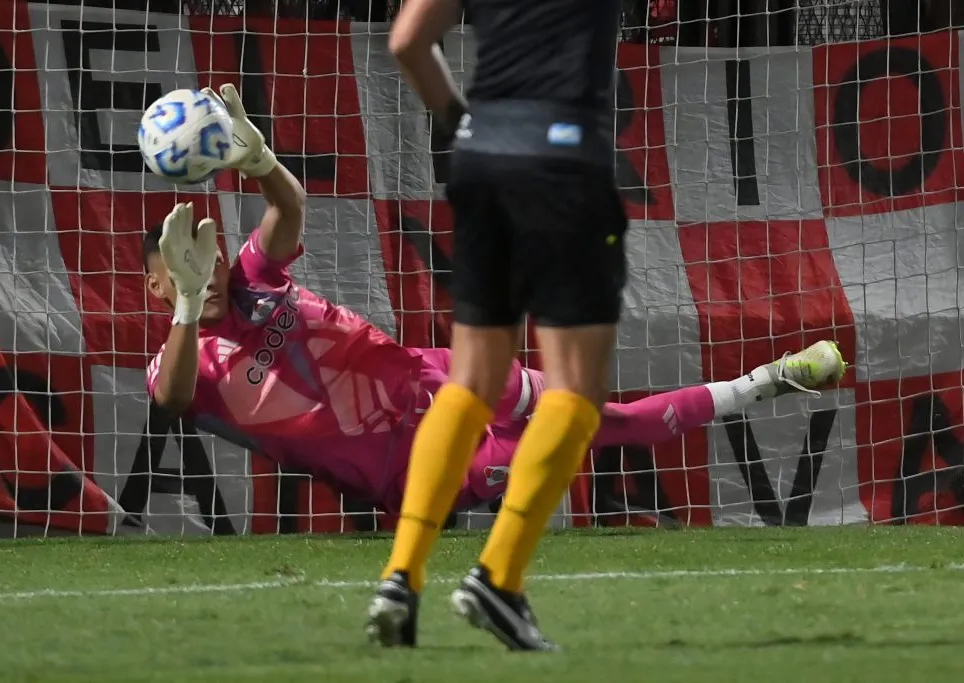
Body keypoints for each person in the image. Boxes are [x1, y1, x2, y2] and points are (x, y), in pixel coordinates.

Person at [147, 85, 845, 629]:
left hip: (440, 374)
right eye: (187, 268)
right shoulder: (183, 358)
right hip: (408, 465)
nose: (206, 274)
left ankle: (768, 380)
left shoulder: (251, 279)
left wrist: (262, 162)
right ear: (159, 282)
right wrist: (185, 306)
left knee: (602, 417)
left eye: (206, 259)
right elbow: (174, 398)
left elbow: (288, 212)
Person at [369, 0, 635, 650]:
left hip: (480, 157)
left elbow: (407, 41)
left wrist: (462, 121)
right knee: (577, 387)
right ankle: (499, 575)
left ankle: (401, 573)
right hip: (564, 156)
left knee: (471, 380)